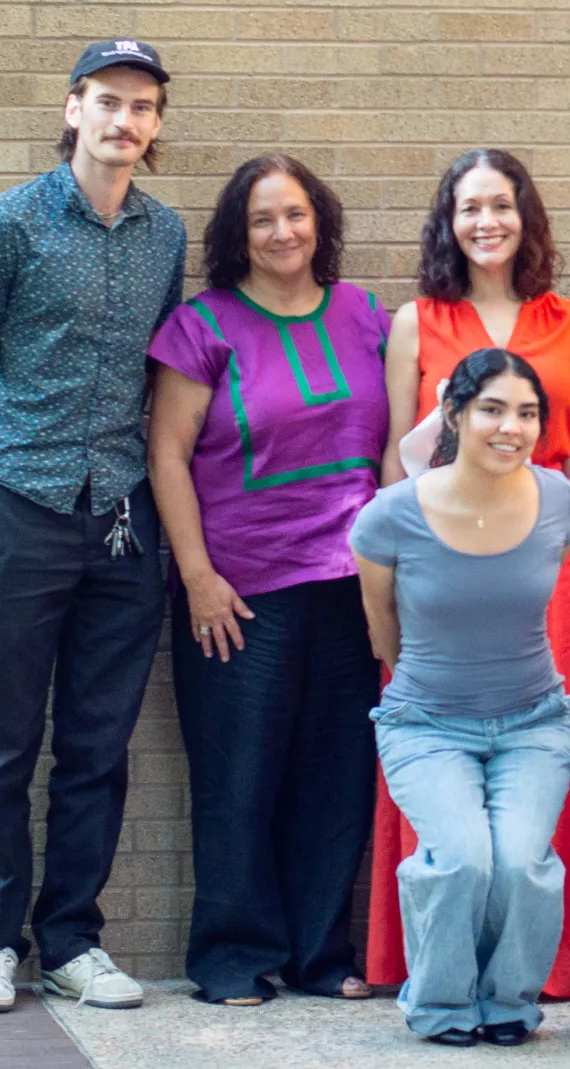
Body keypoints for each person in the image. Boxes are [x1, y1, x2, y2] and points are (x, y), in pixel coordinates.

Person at [0, 39, 186, 1015]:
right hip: (23, 506)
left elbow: (157, 377)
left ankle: (73, 940)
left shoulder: (165, 236)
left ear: (155, 124)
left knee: (97, 741)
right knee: (6, 736)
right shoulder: (5, 223)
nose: (123, 120)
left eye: (142, 107)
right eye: (107, 101)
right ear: (74, 107)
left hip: (122, 516)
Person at [147, 154, 392, 1006]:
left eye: (295, 214)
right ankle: (232, 957)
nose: (282, 231)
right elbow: (166, 455)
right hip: (240, 592)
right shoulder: (200, 326)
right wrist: (198, 575)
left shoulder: (366, 315)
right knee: (238, 774)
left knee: (338, 773)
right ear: (236, 235)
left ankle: (321, 955)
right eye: (262, 219)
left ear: (318, 220)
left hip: (353, 588)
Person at [370, 148, 570, 999]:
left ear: (525, 214)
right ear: (448, 220)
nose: (486, 222)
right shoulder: (416, 321)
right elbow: (398, 461)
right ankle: (430, 964)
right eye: (469, 207)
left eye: (501, 205)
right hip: (442, 562)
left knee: (551, 762)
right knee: (437, 757)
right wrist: (399, 577)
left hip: (548, 563)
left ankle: (537, 967)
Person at [352, 349, 570, 1047]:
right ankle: (443, 1004)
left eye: (527, 412)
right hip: (425, 724)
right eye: (492, 409)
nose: (511, 426)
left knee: (519, 860)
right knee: (460, 858)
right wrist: (434, 685)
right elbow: (382, 631)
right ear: (454, 412)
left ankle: (509, 1001)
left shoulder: (558, 500)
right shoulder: (389, 517)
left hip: (535, 720)